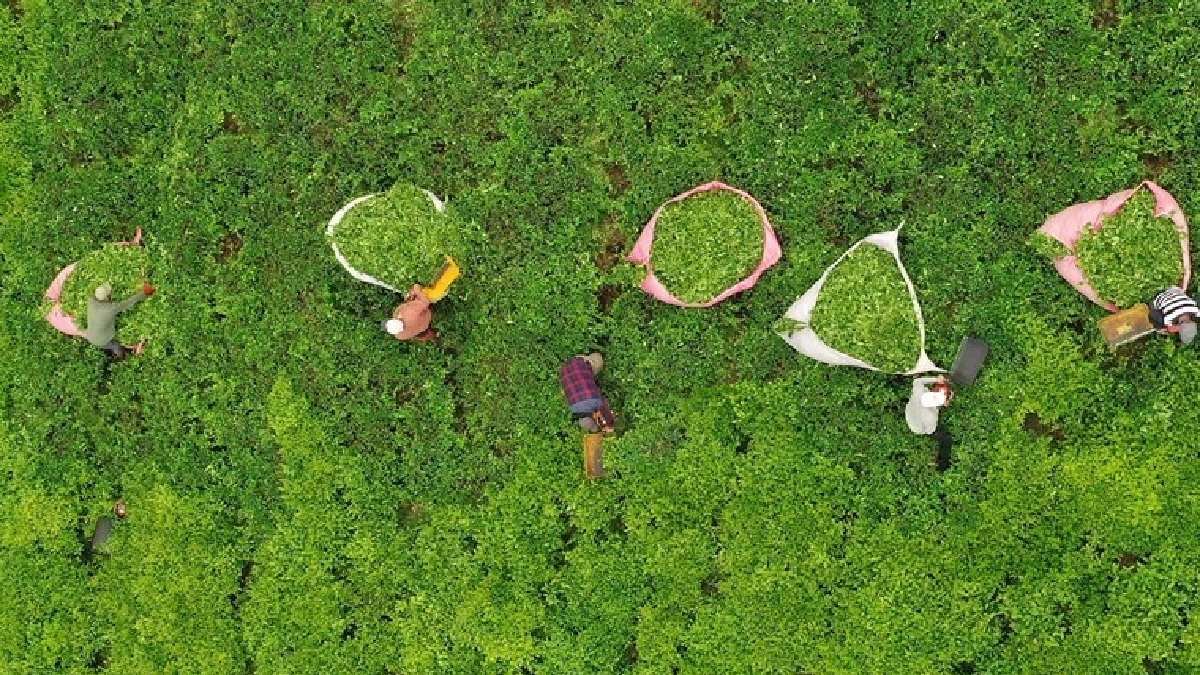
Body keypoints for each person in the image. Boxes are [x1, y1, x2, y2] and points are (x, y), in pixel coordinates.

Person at [84, 282, 154, 358]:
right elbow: (127, 303)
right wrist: (144, 293)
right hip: (101, 341)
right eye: (109, 294)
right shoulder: (110, 309)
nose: (111, 294)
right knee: (116, 346)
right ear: (107, 297)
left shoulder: (90, 301)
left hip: (90, 335)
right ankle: (121, 357)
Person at [560, 352, 616, 434]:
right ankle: (609, 427)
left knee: (585, 417)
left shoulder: (563, 369)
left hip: (575, 406)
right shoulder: (587, 365)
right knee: (603, 407)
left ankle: (595, 431)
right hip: (589, 399)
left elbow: (563, 391)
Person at [906, 375, 954, 470]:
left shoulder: (919, 390)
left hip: (912, 411)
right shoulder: (931, 417)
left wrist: (937, 379)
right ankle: (942, 465)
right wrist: (945, 403)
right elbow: (930, 431)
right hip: (918, 426)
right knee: (946, 439)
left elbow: (918, 381)